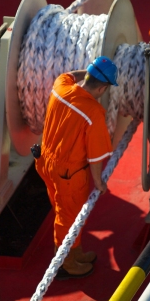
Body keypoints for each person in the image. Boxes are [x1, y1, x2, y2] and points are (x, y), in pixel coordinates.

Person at [35, 56, 118, 280]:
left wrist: (93, 71)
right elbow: (95, 157)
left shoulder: (60, 86)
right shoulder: (93, 113)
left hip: (45, 161)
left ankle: (75, 251)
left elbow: (72, 73)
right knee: (68, 216)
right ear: (102, 88)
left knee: (62, 209)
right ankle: (65, 263)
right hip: (68, 174)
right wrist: (99, 182)